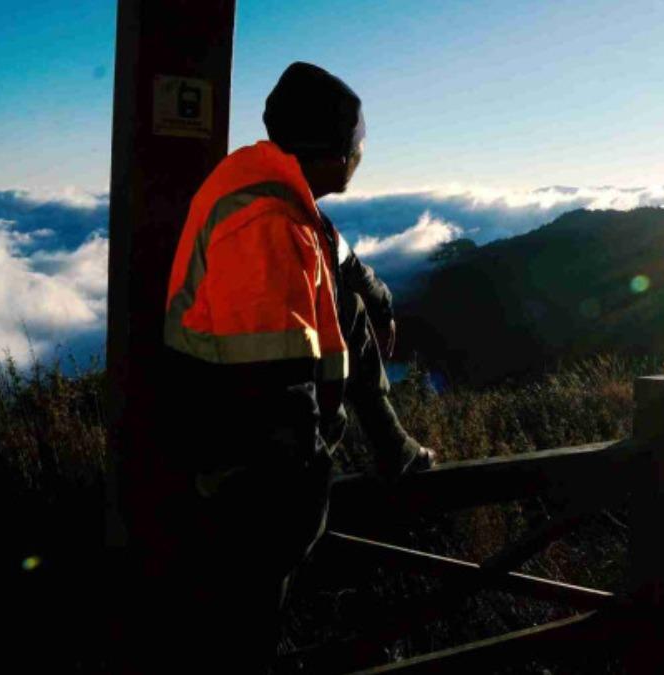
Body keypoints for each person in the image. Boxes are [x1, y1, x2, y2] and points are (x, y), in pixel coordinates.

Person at [122, 62, 433, 673]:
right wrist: (311, 494)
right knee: (244, 632)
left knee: (348, 307)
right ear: (333, 151)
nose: (362, 155)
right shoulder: (265, 226)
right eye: (358, 143)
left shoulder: (273, 185)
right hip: (243, 471)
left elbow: (337, 253)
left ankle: (391, 443)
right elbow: (277, 393)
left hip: (237, 442)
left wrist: (376, 294)